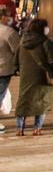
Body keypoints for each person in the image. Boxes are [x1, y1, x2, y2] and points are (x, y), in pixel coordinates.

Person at [14, 18, 53, 136]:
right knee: (41, 102)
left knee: (24, 102)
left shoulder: (22, 42)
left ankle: (20, 129)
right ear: (42, 28)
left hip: (26, 77)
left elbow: (15, 61)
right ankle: (37, 129)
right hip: (42, 77)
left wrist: (21, 70)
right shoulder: (46, 42)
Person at [0, 7, 19, 135]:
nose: (10, 18)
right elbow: (18, 50)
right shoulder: (8, 32)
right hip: (3, 70)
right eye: (8, 16)